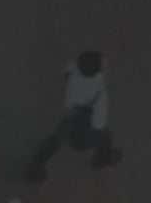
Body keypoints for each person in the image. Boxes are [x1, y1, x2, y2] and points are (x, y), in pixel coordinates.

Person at [21, 50, 119, 179]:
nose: (105, 59)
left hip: (71, 113)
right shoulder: (99, 93)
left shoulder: (75, 68)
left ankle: (35, 168)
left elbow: (67, 73)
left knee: (56, 140)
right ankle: (104, 158)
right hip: (82, 120)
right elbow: (98, 124)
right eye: (102, 60)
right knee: (105, 135)